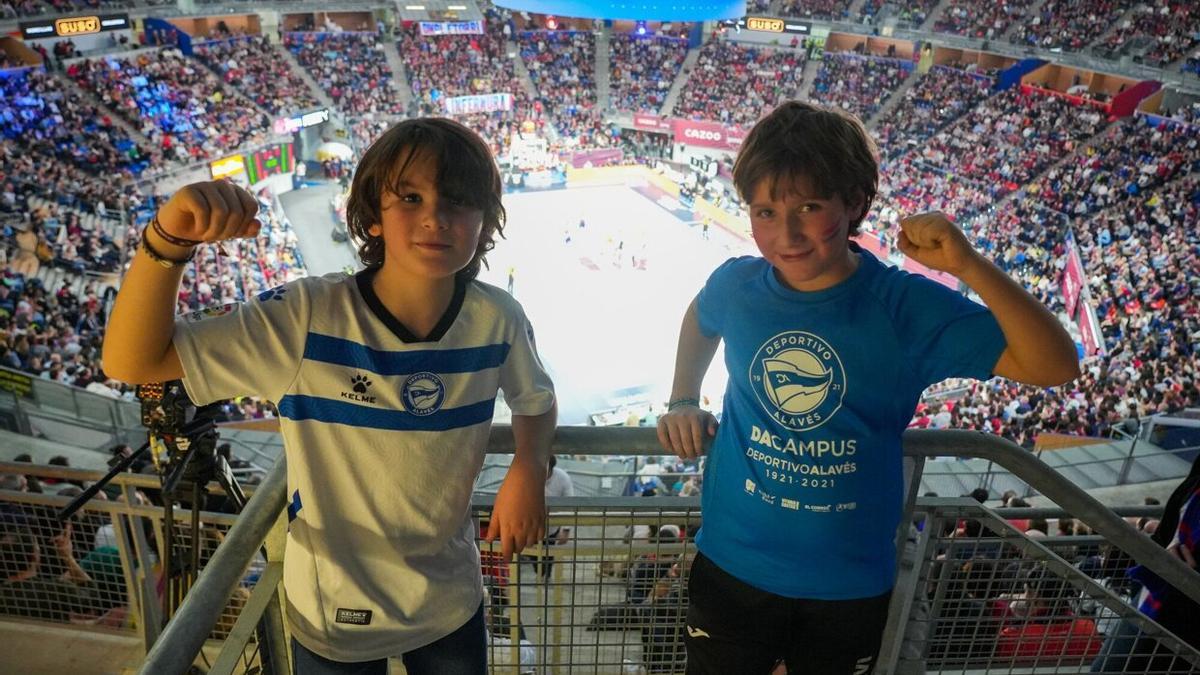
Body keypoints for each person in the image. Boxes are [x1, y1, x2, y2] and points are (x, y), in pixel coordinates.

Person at [102, 117, 558, 674]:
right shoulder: (304, 319)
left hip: (449, 597)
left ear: (484, 221)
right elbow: (133, 361)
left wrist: (528, 469)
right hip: (332, 609)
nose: (436, 217)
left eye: (459, 201)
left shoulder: (499, 319)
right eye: (410, 198)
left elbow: (535, 401)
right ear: (372, 216)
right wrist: (168, 241)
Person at [655, 101, 1079, 675]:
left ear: (853, 202)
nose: (788, 234)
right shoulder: (737, 284)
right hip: (731, 565)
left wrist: (969, 264)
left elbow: (1054, 365)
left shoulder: (904, 307)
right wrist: (683, 397)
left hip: (847, 583)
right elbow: (699, 319)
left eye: (809, 207)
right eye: (765, 212)